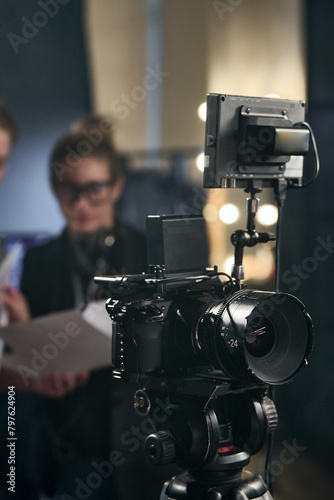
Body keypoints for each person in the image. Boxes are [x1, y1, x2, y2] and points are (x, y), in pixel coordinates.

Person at [19, 127, 177, 499]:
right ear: (54, 188)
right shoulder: (38, 262)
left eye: (95, 188)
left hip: (147, 446)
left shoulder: (153, 254)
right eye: (68, 190)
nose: (81, 203)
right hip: (71, 447)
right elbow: (32, 357)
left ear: (117, 186)